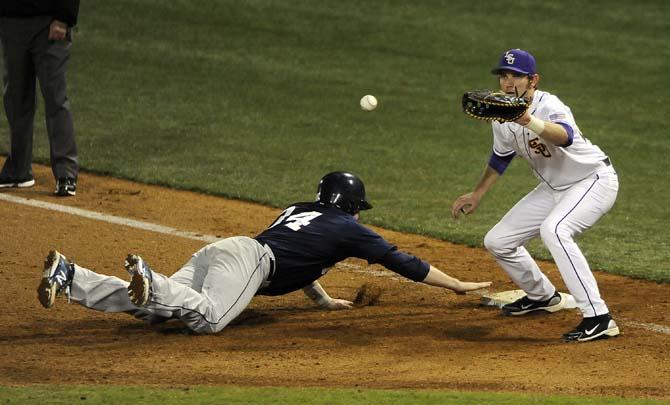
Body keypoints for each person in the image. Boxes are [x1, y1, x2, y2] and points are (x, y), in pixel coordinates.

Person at [37, 172, 491, 334]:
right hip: (250, 262)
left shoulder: (300, 211)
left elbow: (298, 254)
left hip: (227, 251)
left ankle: (71, 275)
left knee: (158, 312)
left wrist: (321, 299)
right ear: (352, 206)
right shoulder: (350, 230)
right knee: (210, 320)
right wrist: (456, 285)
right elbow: (404, 262)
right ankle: (151, 280)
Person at [452, 48, 620, 343]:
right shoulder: (500, 116)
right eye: (504, 75)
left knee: (555, 230)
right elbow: (500, 157)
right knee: (498, 241)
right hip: (554, 189)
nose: (507, 81)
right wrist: (477, 193)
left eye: (516, 75)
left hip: (592, 181)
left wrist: (527, 119)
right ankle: (543, 296)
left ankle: (598, 317)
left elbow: (565, 136)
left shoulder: (550, 105)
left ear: (533, 80)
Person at [0, 0, 80, 196]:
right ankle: (18, 170)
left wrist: (63, 17)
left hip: (49, 22)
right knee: (16, 98)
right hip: (11, 20)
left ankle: (66, 173)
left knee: (55, 98)